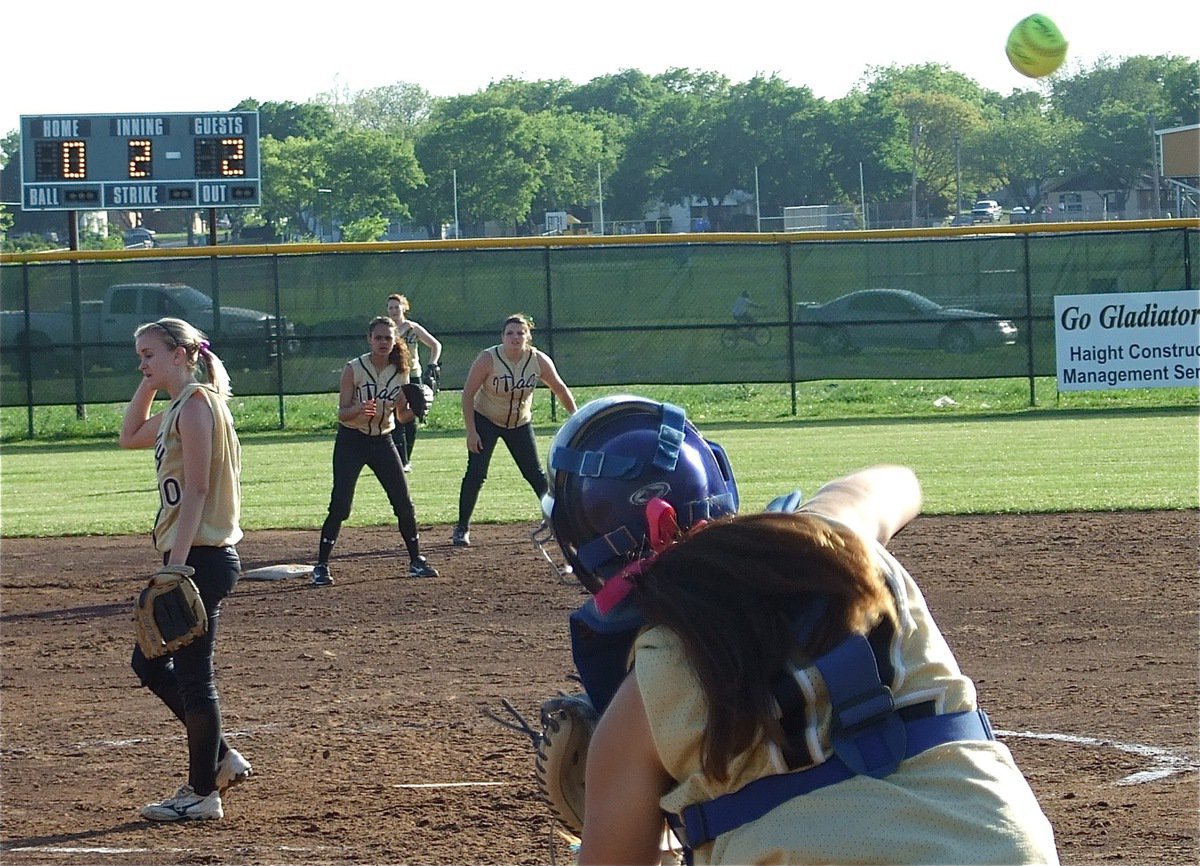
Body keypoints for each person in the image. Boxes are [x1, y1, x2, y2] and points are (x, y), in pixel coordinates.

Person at [540, 397, 1059, 865]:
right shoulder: (835, 543)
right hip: (998, 845)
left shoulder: (637, 710)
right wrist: (810, 523)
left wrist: (642, 825)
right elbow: (900, 480)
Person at [118, 317, 252, 822]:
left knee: (195, 681)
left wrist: (177, 567)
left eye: (149, 354)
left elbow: (196, 489)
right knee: (150, 664)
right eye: (140, 356)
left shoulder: (197, 406)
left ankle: (202, 792)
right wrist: (149, 382)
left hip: (199, 557)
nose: (141, 362)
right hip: (191, 557)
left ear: (180, 354)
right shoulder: (180, 405)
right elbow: (128, 435)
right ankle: (219, 759)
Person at [312, 316, 439, 585]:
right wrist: (359, 409)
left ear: (396, 341)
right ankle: (321, 565)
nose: (383, 342)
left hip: (383, 440)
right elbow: (342, 414)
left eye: (388, 338)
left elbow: (401, 416)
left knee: (404, 503)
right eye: (378, 337)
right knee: (341, 505)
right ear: (369, 339)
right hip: (352, 440)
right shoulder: (354, 369)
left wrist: (417, 409)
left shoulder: (401, 370)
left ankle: (416, 560)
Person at [452, 312, 576, 548]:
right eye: (510, 333)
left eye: (520, 333)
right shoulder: (488, 358)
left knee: (535, 474)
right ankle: (462, 527)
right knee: (476, 473)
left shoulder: (538, 360)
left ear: (528, 336)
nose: (515, 337)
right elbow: (468, 394)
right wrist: (471, 431)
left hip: (519, 422)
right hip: (486, 419)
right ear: (502, 336)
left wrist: (576, 417)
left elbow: (559, 389)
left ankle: (559, 522)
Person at [386, 293, 442, 472]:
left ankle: (406, 460)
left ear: (404, 307)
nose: (394, 310)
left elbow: (435, 345)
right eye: (391, 307)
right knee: (396, 418)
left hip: (413, 376)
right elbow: (392, 343)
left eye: (397, 306)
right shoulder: (386, 329)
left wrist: (432, 363)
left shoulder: (413, 328)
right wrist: (401, 330)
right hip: (394, 376)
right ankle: (400, 461)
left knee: (411, 417)